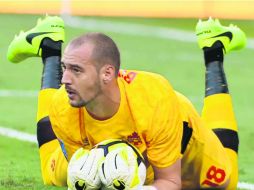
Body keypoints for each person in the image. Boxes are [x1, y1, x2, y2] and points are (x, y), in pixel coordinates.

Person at [7, 16, 246, 189]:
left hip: (175, 141)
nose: (65, 80)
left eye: (77, 70)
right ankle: (49, 47)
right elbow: (85, 175)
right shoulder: (62, 104)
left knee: (226, 182)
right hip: (108, 145)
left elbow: (169, 181)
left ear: (107, 74)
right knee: (54, 176)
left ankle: (214, 50)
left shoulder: (153, 99)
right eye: (64, 69)